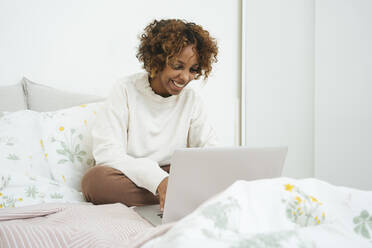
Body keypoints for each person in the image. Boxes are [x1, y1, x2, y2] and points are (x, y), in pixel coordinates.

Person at [81, 19, 219, 211]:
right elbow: (108, 153)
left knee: (213, 172)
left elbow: (208, 151)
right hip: (131, 175)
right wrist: (158, 180)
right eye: (178, 66)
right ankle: (178, 194)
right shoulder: (125, 90)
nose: (185, 77)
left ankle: (175, 192)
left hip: (174, 173)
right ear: (158, 59)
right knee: (94, 182)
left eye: (193, 70)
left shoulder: (191, 99)